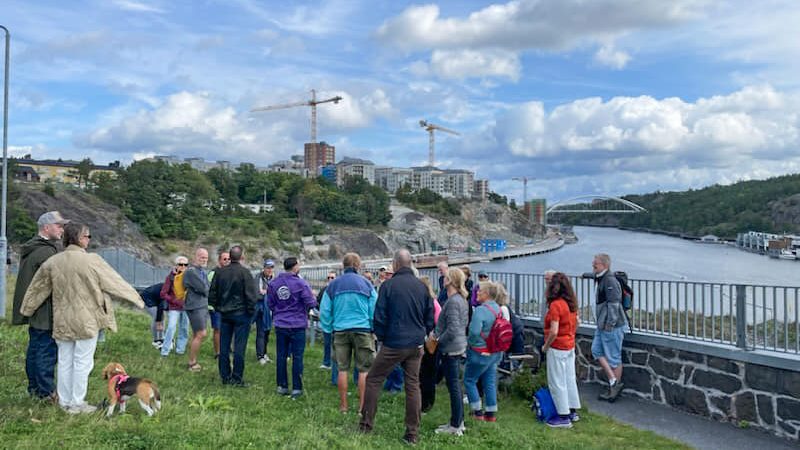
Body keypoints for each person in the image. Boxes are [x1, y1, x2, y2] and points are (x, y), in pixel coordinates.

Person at [20, 222, 143, 414]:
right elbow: (115, 282)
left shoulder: (54, 262)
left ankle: (65, 401)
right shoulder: (92, 260)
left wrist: (26, 309)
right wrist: (138, 299)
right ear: (78, 237)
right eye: (87, 236)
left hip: (62, 319)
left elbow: (37, 289)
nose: (89, 240)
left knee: (65, 360)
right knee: (83, 361)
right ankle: (77, 403)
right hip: (87, 320)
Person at [359, 249, 434, 446]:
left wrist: (383, 338)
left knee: (374, 379)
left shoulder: (388, 286)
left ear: (395, 264)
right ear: (410, 264)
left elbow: (380, 316)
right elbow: (429, 317)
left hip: (394, 342)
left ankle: (366, 425)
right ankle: (412, 433)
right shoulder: (421, 287)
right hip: (416, 343)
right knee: (412, 385)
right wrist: (421, 334)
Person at [12, 211, 68, 402]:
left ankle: (35, 388)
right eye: (59, 225)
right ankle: (45, 392)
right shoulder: (46, 251)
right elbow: (54, 283)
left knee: (35, 349)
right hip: (45, 309)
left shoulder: (33, 247)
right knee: (46, 351)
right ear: (46, 227)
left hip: (35, 308)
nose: (62, 229)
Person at [319, 253, 377, 413]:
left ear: (343, 266)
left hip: (340, 330)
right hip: (363, 330)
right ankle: (362, 408)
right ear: (358, 266)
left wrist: (329, 327)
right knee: (364, 370)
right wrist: (372, 327)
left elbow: (324, 311)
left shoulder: (333, 285)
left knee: (342, 368)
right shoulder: (367, 284)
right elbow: (374, 309)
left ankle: (343, 406)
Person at [267, 257, 317, 399]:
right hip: (297, 324)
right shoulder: (301, 283)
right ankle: (297, 387)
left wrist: (279, 310)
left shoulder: (274, 283)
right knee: (297, 357)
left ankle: (282, 385)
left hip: (281, 323)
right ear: (295, 267)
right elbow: (311, 303)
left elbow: (270, 303)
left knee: (281, 356)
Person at [209, 245, 259, 386]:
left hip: (225, 313)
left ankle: (225, 376)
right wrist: (250, 312)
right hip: (241, 314)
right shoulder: (245, 273)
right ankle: (237, 377)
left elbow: (212, 293)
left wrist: (218, 308)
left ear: (229, 257)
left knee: (224, 346)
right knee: (239, 347)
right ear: (242, 257)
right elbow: (251, 296)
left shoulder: (220, 273)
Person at [432, 268, 470, 436]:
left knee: (453, 386)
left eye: (446, 276)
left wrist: (438, 341)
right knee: (455, 386)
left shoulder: (454, 301)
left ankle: (455, 425)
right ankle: (458, 422)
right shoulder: (461, 300)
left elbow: (453, 328)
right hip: (457, 346)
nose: (443, 278)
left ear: (452, 280)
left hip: (451, 348)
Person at [542, 272, 581, 428]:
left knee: (557, 381)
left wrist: (546, 346)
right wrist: (571, 334)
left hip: (557, 346)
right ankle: (572, 410)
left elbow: (554, 331)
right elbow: (577, 321)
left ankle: (563, 416)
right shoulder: (571, 304)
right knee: (569, 378)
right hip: (569, 344)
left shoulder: (556, 305)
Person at [464, 281, 503, 422]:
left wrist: (470, 344)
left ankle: (477, 412)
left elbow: (474, 332)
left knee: (469, 380)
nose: (477, 293)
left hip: (479, 352)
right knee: (489, 381)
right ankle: (491, 413)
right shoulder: (498, 309)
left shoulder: (480, 310)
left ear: (486, 294)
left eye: (479, 291)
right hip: (494, 352)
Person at [590, 253, 627, 401]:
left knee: (613, 358)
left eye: (595, 264)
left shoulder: (610, 281)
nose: (593, 265)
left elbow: (614, 304)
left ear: (604, 265)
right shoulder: (601, 277)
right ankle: (613, 381)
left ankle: (614, 390)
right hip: (602, 325)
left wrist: (609, 324)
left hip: (611, 326)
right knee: (596, 350)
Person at [183, 248, 210, 372]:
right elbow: (204, 289)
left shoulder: (201, 272)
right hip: (195, 306)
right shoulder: (192, 272)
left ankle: (193, 359)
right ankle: (192, 363)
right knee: (201, 333)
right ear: (195, 257)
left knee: (196, 334)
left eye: (205, 257)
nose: (204, 259)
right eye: (201, 257)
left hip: (202, 305)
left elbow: (206, 288)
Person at [418, 275, 441, 413]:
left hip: (424, 340)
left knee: (422, 372)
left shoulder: (421, 302)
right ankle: (428, 401)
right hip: (432, 340)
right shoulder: (434, 302)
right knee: (429, 372)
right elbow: (439, 321)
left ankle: (424, 401)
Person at [160, 256, 190, 357]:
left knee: (184, 328)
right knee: (171, 327)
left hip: (186, 307)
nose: (183, 266)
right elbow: (163, 293)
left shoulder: (190, 277)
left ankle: (180, 350)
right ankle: (165, 350)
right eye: (180, 264)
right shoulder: (170, 277)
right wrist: (174, 300)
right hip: (174, 307)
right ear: (176, 265)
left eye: (185, 265)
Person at [207, 251, 230, 358]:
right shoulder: (213, 273)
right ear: (219, 260)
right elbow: (208, 290)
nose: (227, 261)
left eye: (228, 259)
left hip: (227, 307)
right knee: (218, 329)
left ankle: (226, 349)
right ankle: (218, 353)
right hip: (215, 307)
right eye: (224, 259)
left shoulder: (230, 272)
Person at [255, 259, 276, 365]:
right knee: (261, 332)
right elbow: (257, 293)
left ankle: (265, 353)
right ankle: (260, 355)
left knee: (267, 332)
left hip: (270, 310)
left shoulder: (274, 279)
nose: (269, 270)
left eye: (271, 268)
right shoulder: (258, 278)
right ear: (263, 268)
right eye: (268, 267)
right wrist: (267, 293)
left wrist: (266, 292)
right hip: (260, 310)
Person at [317, 271, 337, 370]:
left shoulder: (339, 290)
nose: (330, 279)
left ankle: (337, 365)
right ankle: (326, 362)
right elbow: (317, 302)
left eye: (332, 277)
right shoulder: (324, 290)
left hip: (337, 321)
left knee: (338, 345)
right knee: (327, 343)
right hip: (326, 321)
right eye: (328, 278)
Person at [139, 282, 165, 349]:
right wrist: (159, 321)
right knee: (156, 315)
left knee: (161, 316)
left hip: (156, 299)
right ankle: (156, 340)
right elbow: (161, 306)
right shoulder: (168, 290)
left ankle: (161, 338)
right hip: (146, 298)